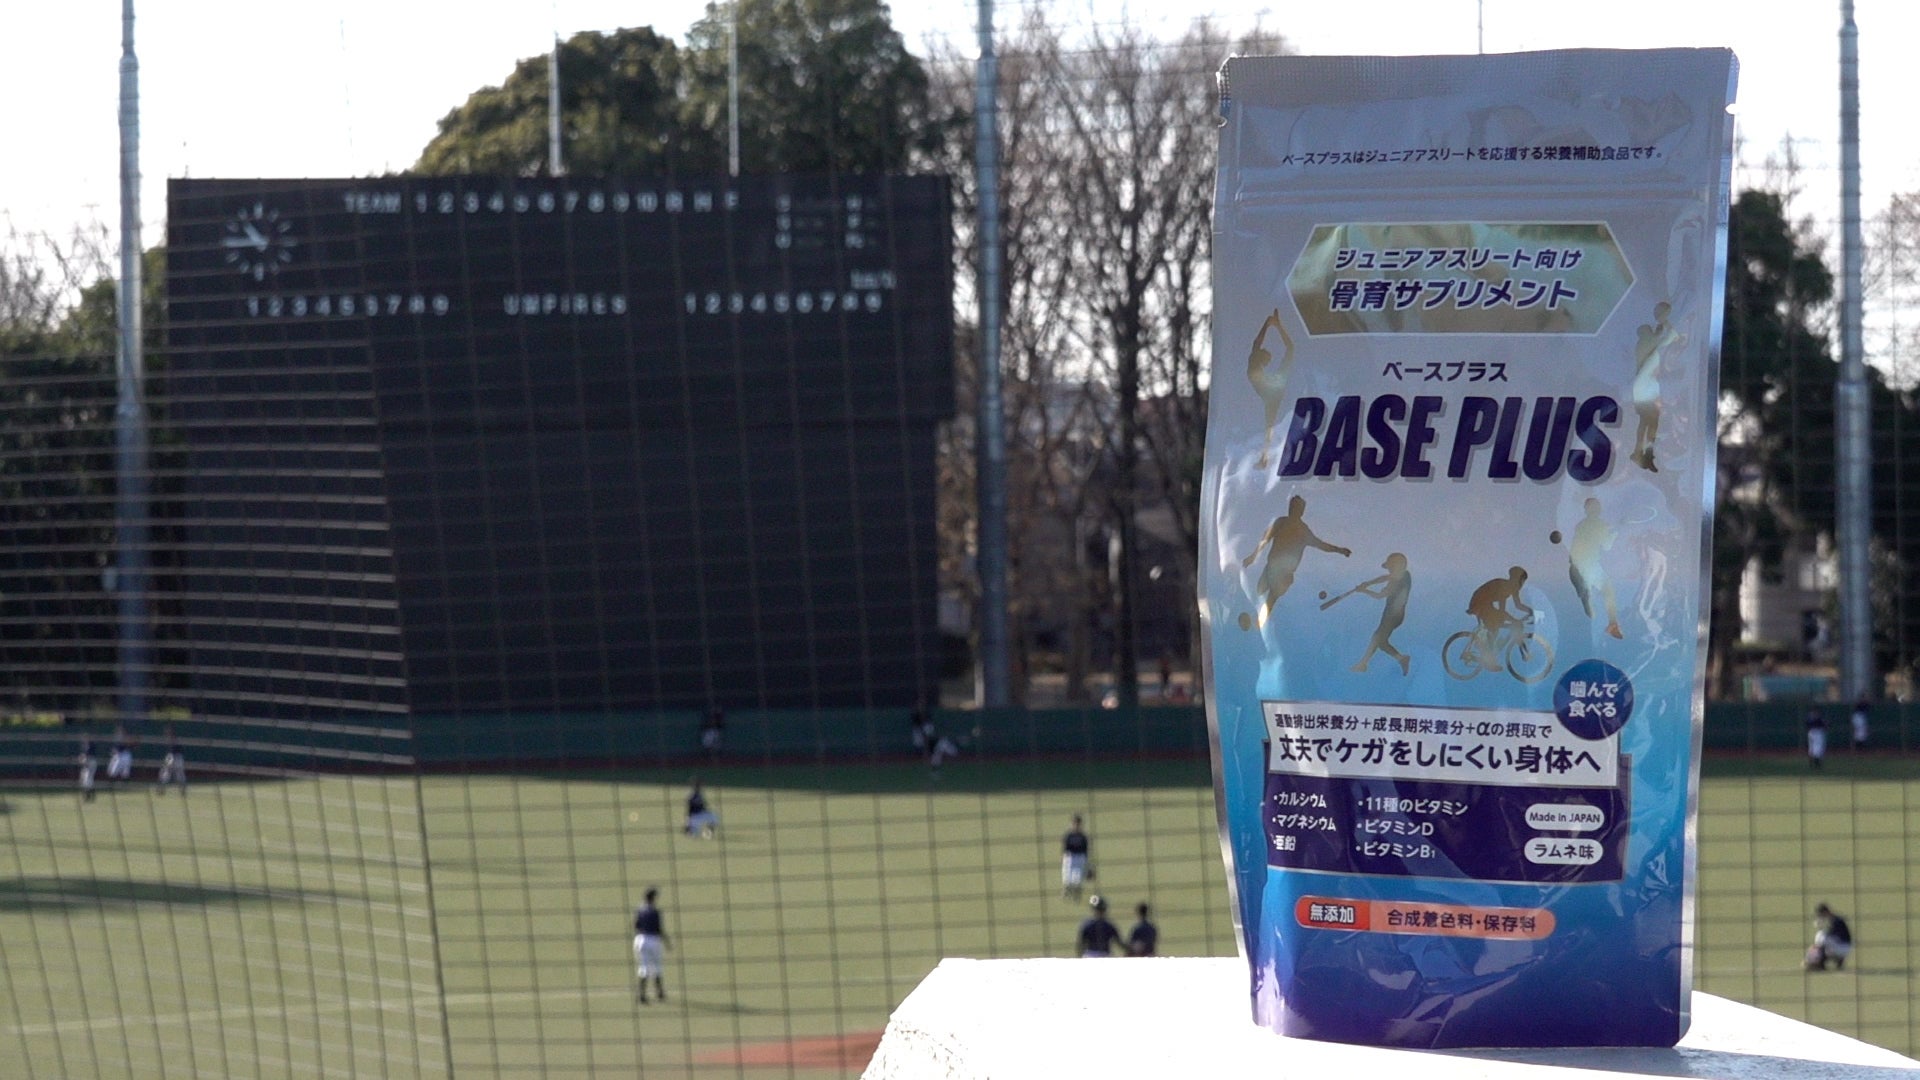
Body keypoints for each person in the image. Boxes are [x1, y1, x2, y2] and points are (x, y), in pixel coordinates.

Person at [1243, 495, 1351, 626]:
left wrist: (1340, 550)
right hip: (1272, 567)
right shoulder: (1281, 522)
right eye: (1291, 506)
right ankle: (1252, 619)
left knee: (1271, 598)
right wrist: (1253, 556)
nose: (1292, 509)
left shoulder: (1302, 530)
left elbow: (1321, 545)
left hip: (1284, 572)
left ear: (1301, 511)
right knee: (1260, 590)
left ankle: (1258, 623)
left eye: (1296, 507)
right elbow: (1265, 540)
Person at [1568, 498, 1624, 640]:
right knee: (1608, 590)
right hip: (1590, 564)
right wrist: (1616, 531)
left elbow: (1590, 535)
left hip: (1576, 566)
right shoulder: (1600, 524)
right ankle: (1612, 624)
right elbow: (1607, 545)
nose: (1598, 509)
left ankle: (1586, 594)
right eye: (1596, 506)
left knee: (1590, 601)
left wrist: (1610, 529)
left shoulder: (1581, 525)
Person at [1349, 553, 1413, 675]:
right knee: (1381, 642)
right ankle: (1401, 659)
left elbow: (1379, 595)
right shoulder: (1397, 578)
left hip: (1393, 615)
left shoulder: (1404, 576)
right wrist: (1367, 584)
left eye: (1392, 566)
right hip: (1390, 614)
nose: (1390, 569)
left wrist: (1364, 589)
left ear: (1400, 565)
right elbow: (1386, 578)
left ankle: (1363, 664)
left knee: (1377, 638)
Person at [1466, 566, 1534, 670]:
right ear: (1517, 580)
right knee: (1495, 627)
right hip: (1479, 603)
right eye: (1522, 581)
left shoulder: (1512, 589)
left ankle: (1487, 653)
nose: (1522, 584)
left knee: (1498, 624)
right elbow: (1502, 612)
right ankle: (1488, 659)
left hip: (1486, 604)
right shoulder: (1504, 587)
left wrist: (1531, 611)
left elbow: (1518, 605)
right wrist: (1514, 620)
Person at [632, 887, 671, 1002]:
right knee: (657, 967)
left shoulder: (640, 910)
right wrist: (667, 942)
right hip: (653, 940)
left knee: (643, 967)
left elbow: (636, 926)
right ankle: (659, 993)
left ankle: (642, 995)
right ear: (653, 898)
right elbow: (659, 929)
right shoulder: (655, 912)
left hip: (640, 940)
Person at [1805, 903, 1853, 971]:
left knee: (1820, 937)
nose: (1821, 916)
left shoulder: (1835, 920)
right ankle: (1838, 960)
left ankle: (1813, 962)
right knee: (1823, 944)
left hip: (1841, 947)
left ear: (1825, 912)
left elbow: (1830, 934)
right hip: (1845, 948)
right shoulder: (1835, 919)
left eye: (1821, 914)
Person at [1061, 814, 1092, 900]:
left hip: (1080, 858)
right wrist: (1064, 859)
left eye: (1078, 823)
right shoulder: (1068, 835)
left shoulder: (1083, 837)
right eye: (1074, 823)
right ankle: (1066, 892)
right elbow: (1064, 849)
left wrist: (1088, 866)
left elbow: (1086, 851)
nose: (1076, 825)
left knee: (1077, 879)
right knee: (1067, 878)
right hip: (1069, 857)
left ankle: (1076, 894)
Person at [154, 727, 187, 795]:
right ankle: (162, 789)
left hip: (175, 756)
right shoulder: (171, 739)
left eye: (167, 731)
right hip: (173, 756)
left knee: (176, 773)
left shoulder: (174, 738)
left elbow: (175, 749)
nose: (166, 733)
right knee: (167, 773)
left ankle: (182, 790)